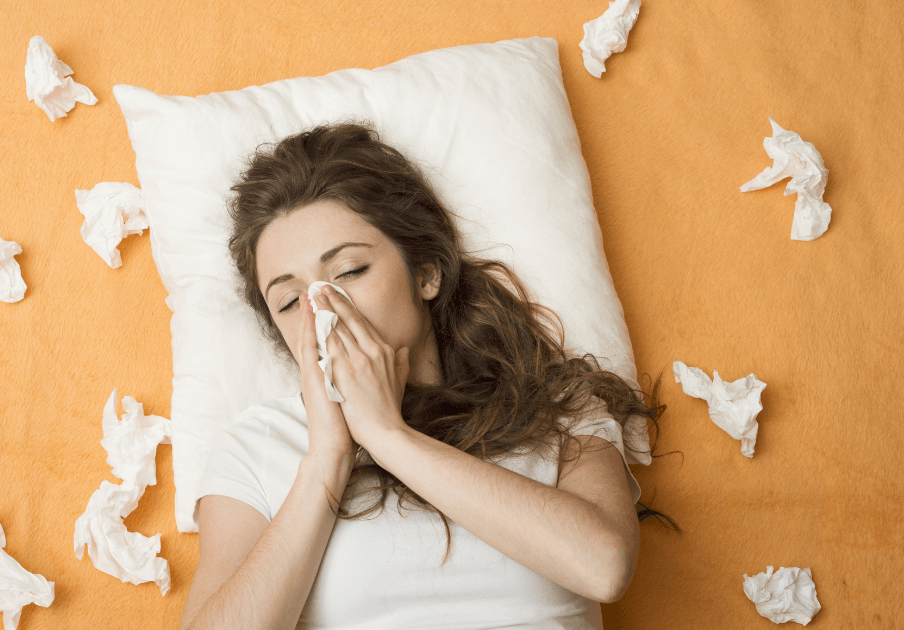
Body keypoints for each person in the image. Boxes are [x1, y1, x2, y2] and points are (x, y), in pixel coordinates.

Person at [180, 122, 669, 630]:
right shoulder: (256, 445)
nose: (323, 310)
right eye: (288, 300)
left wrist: (386, 435)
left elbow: (605, 567)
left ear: (427, 272)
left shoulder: (556, 404)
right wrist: (328, 457)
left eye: (348, 271)